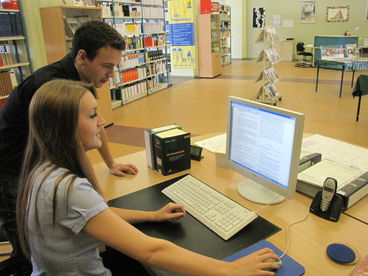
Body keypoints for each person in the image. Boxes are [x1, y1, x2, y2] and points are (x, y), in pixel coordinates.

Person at [16, 79, 280, 276]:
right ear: (65, 126)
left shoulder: (44, 170)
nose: (102, 121)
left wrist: (153, 216)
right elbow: (152, 252)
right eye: (93, 114)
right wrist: (232, 270)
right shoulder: (70, 188)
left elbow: (94, 216)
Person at [0, 21, 138, 273]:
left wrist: (111, 163)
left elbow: (95, 122)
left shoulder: (83, 79)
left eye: (115, 66)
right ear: (83, 57)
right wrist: (98, 202)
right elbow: (74, 147)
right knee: (28, 245)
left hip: (41, 162)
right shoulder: (50, 86)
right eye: (106, 66)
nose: (111, 74)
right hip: (13, 165)